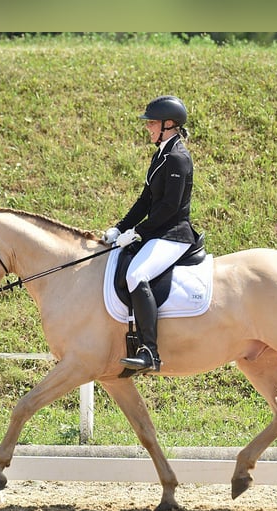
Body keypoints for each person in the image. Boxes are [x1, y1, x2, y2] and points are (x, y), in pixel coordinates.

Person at [103, 95, 199, 374]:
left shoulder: (178, 158)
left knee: (136, 275)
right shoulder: (161, 155)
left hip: (174, 235)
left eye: (153, 123)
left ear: (169, 125)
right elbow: (145, 200)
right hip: (158, 232)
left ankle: (149, 352)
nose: (148, 128)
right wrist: (120, 227)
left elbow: (169, 207)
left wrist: (137, 232)